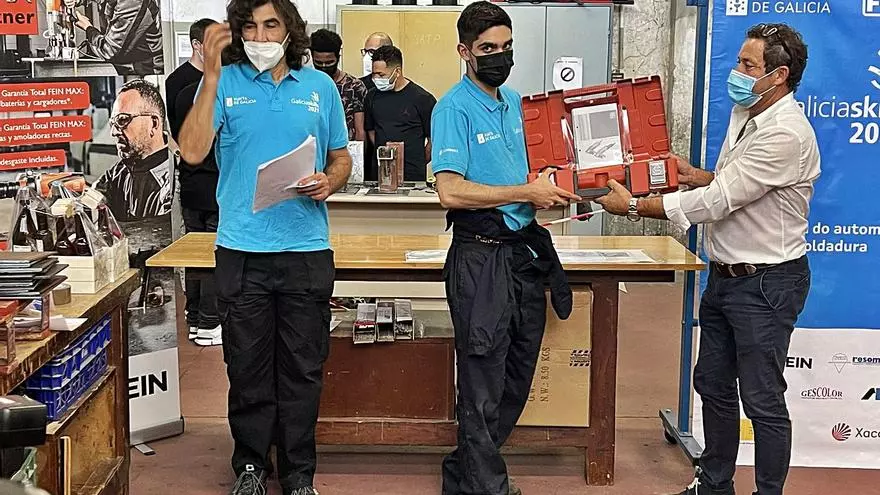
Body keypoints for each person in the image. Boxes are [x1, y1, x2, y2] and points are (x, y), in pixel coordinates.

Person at [595, 23, 818, 495]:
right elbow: (734, 184)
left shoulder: (786, 133)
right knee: (713, 384)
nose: (736, 71)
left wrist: (635, 206)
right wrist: (694, 175)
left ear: (779, 75)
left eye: (748, 65)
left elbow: (719, 202)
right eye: (738, 60)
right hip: (726, 277)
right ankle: (714, 485)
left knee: (762, 399)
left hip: (766, 284)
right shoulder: (748, 114)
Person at [177, 0, 352, 493]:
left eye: (270, 24)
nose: (259, 36)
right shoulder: (224, 83)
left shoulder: (319, 88)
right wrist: (212, 74)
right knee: (247, 367)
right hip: (242, 250)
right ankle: (251, 466)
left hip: (305, 249)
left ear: (290, 29)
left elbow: (341, 158)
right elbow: (192, 150)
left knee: (302, 369)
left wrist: (330, 180)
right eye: (249, 26)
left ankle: (299, 473)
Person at [431, 3, 580, 494]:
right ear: (465, 52)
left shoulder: (517, 103)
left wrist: (553, 186)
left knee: (517, 372)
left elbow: (533, 173)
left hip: (521, 255)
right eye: (488, 48)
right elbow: (450, 191)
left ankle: (464, 475)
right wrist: (525, 192)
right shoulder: (452, 109)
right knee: (481, 383)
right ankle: (488, 487)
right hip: (481, 259)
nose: (500, 56)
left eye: (507, 46)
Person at [166, 18, 222, 346]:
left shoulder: (185, 91)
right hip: (209, 183)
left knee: (196, 254)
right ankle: (209, 321)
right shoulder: (191, 88)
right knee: (210, 253)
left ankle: (197, 317)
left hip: (193, 181)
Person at [94, 79, 172, 223]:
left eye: (122, 120)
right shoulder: (118, 172)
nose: (113, 132)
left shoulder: (175, 181)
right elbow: (91, 202)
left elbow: (161, 233)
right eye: (112, 123)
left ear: (153, 123)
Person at [365, 45, 436, 182]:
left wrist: (419, 161)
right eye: (374, 74)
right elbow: (371, 131)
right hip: (380, 173)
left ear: (397, 71)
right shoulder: (371, 97)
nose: (376, 78)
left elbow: (433, 139)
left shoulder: (422, 99)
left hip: (412, 175)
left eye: (381, 75)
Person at [65, 0, 163, 75]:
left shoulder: (131, 3)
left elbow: (109, 51)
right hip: (130, 63)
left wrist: (88, 28)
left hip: (147, 69)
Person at [310, 29, 367, 142]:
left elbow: (360, 130)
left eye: (329, 62)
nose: (324, 67)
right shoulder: (306, 85)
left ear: (338, 58)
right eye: (318, 63)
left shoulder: (355, 86)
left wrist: (359, 151)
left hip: (345, 146)